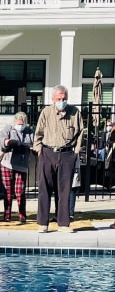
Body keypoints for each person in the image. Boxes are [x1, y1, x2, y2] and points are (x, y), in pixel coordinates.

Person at [33, 84, 83, 233]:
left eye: (64, 98)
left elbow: (80, 133)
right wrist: (39, 149)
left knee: (65, 190)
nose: (62, 101)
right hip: (48, 152)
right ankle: (43, 223)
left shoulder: (75, 112)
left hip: (67, 154)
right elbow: (38, 133)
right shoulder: (46, 112)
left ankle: (63, 223)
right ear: (53, 99)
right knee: (44, 189)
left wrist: (76, 152)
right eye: (59, 99)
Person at [0, 111, 34, 223]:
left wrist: (28, 147)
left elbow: (35, 143)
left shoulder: (29, 132)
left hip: (22, 165)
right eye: (18, 123)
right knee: (8, 191)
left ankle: (22, 215)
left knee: (20, 191)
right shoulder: (8, 129)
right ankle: (7, 214)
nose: (20, 126)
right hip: (7, 163)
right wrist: (7, 142)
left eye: (22, 124)